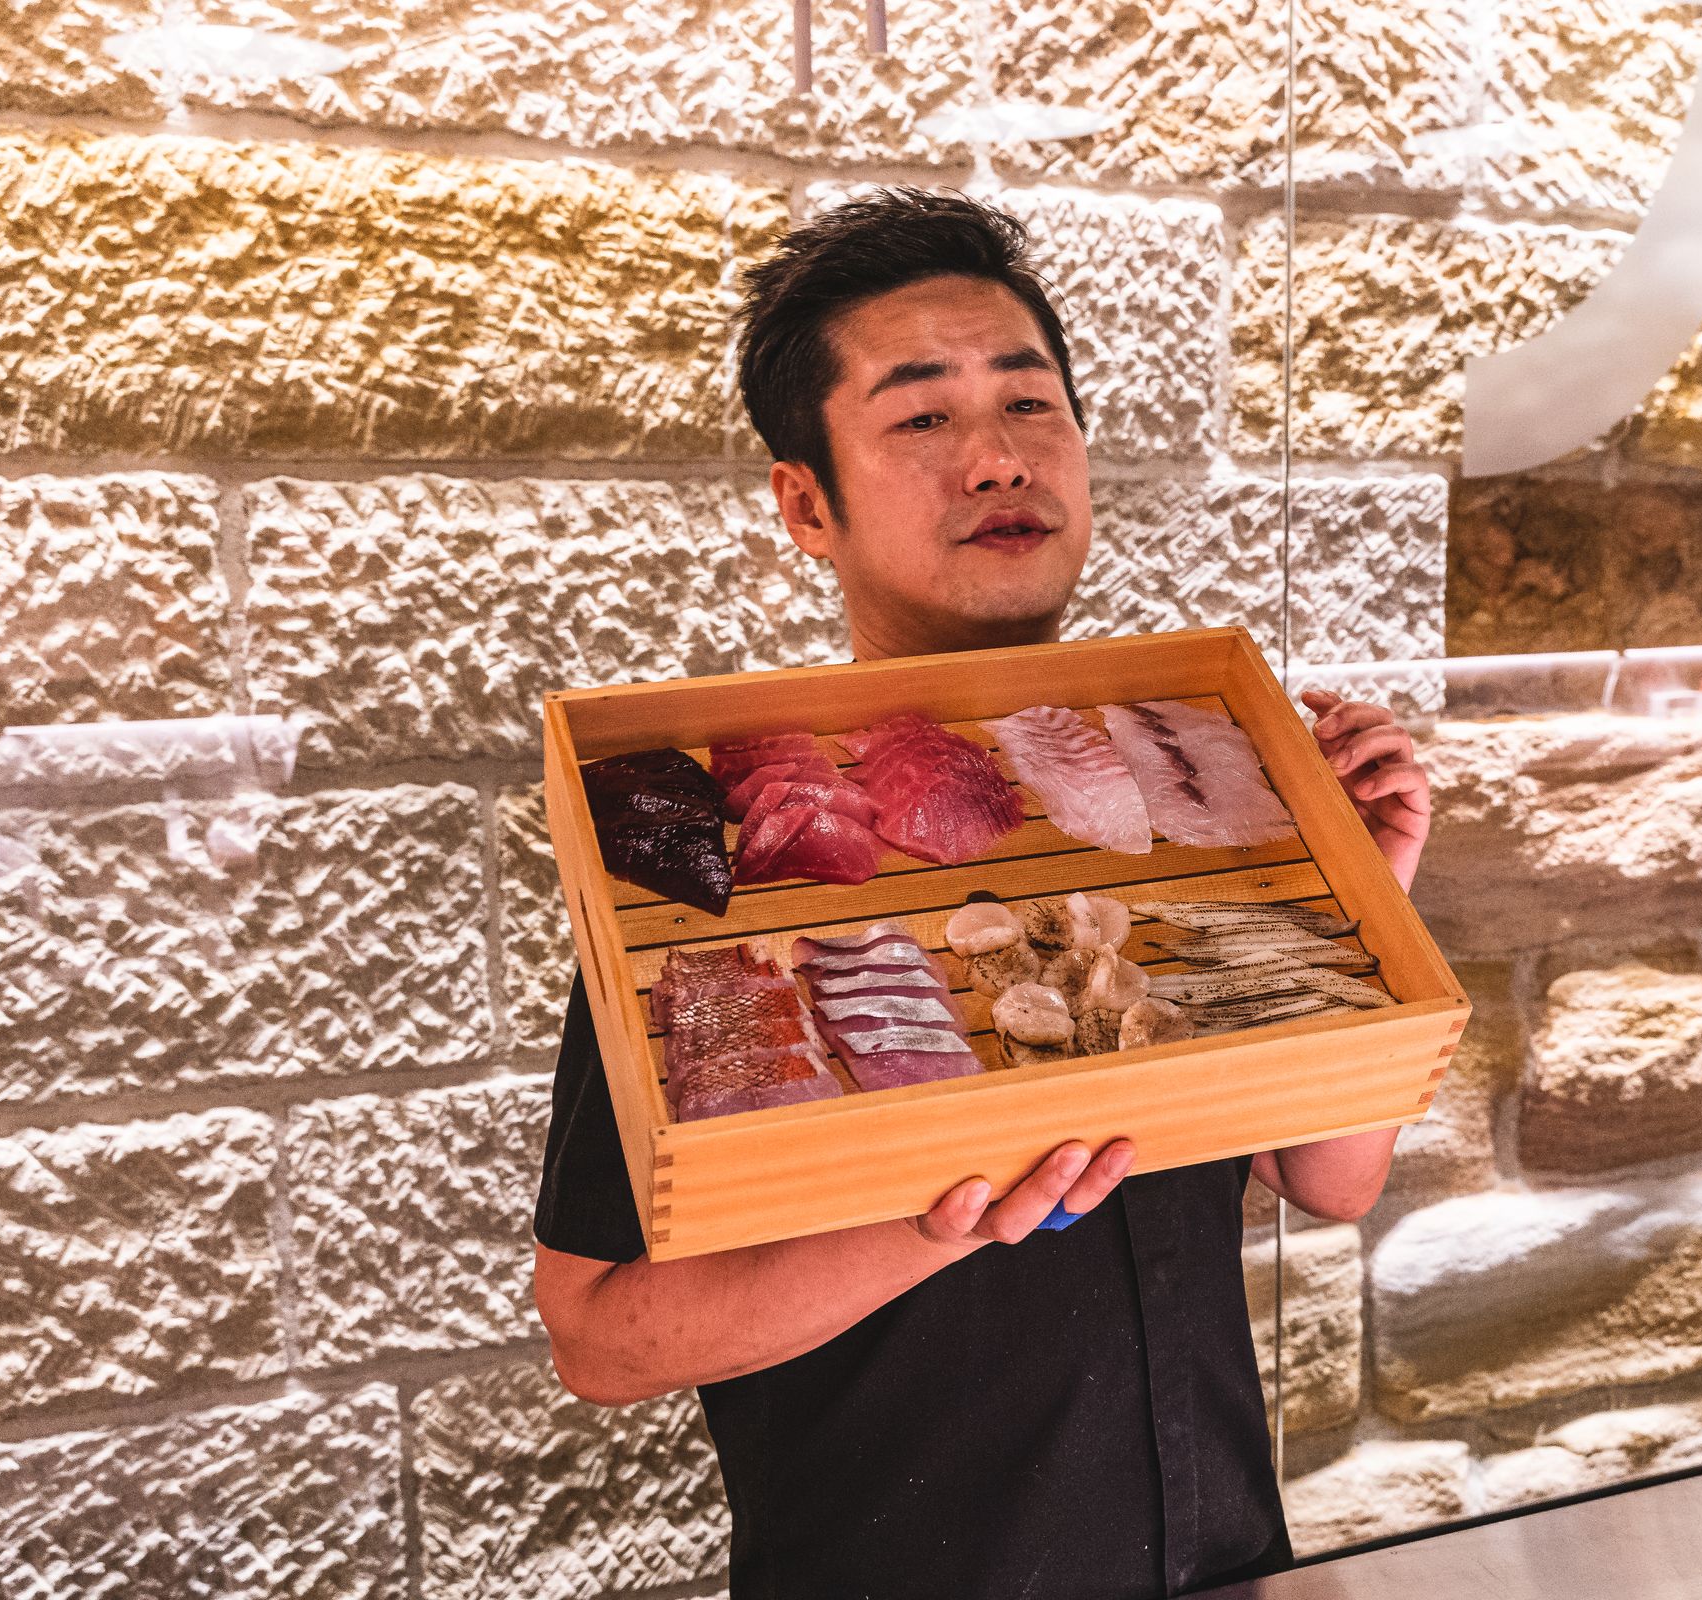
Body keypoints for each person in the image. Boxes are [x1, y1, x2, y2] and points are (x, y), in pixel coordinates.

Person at [532, 188, 1434, 1600]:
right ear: (806, 504)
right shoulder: (706, 839)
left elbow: (1327, 1178)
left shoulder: (1184, 773)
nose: (999, 457)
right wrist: (940, 1216)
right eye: (922, 417)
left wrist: (1364, 909)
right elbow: (597, 1334)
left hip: (1221, 1565)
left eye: (1031, 403)